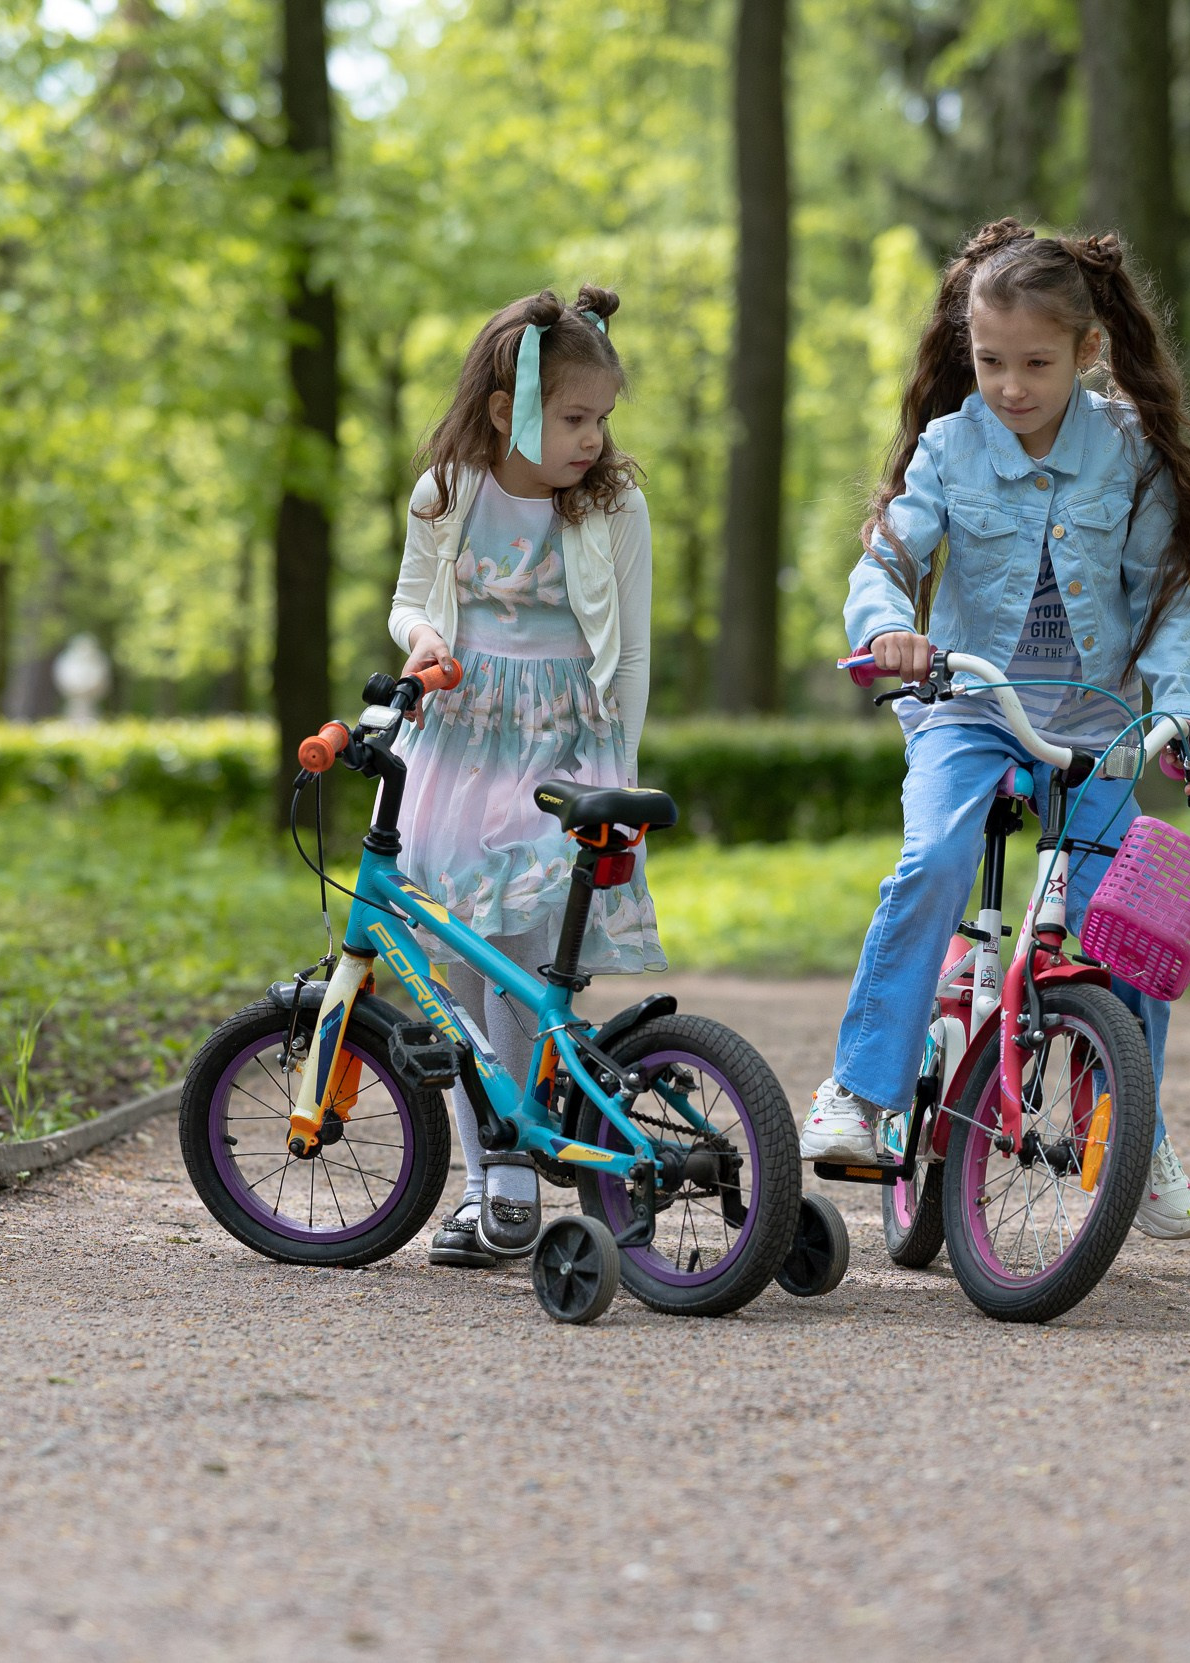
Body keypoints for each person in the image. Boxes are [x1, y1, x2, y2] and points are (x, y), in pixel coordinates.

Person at [806, 218, 1190, 1240]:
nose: (1010, 385)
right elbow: (886, 562)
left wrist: (1181, 709)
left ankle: (1131, 1127)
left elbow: (1168, 596)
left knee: (1133, 924)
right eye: (990, 360)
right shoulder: (952, 447)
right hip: (968, 707)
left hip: (1089, 720)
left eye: (1035, 363)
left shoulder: (1128, 452)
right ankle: (860, 1093)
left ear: (1086, 353)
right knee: (935, 857)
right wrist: (890, 630)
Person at [387, 285, 662, 1267]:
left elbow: (627, 654)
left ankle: (513, 1171)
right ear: (507, 408)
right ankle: (486, 1176)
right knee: (456, 960)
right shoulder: (446, 490)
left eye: (603, 419)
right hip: (461, 739)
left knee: (524, 958)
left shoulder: (612, 502)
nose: (593, 439)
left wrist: (617, 782)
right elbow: (409, 600)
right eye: (574, 418)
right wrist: (421, 634)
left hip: (560, 745)